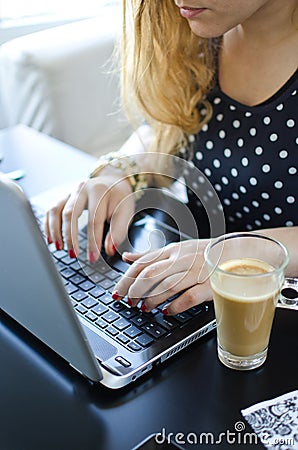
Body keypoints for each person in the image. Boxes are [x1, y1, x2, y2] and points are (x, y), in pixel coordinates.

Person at [45, 0, 298, 316]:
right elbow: (168, 127)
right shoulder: (199, 36)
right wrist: (120, 172)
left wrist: (235, 253)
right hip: (193, 292)